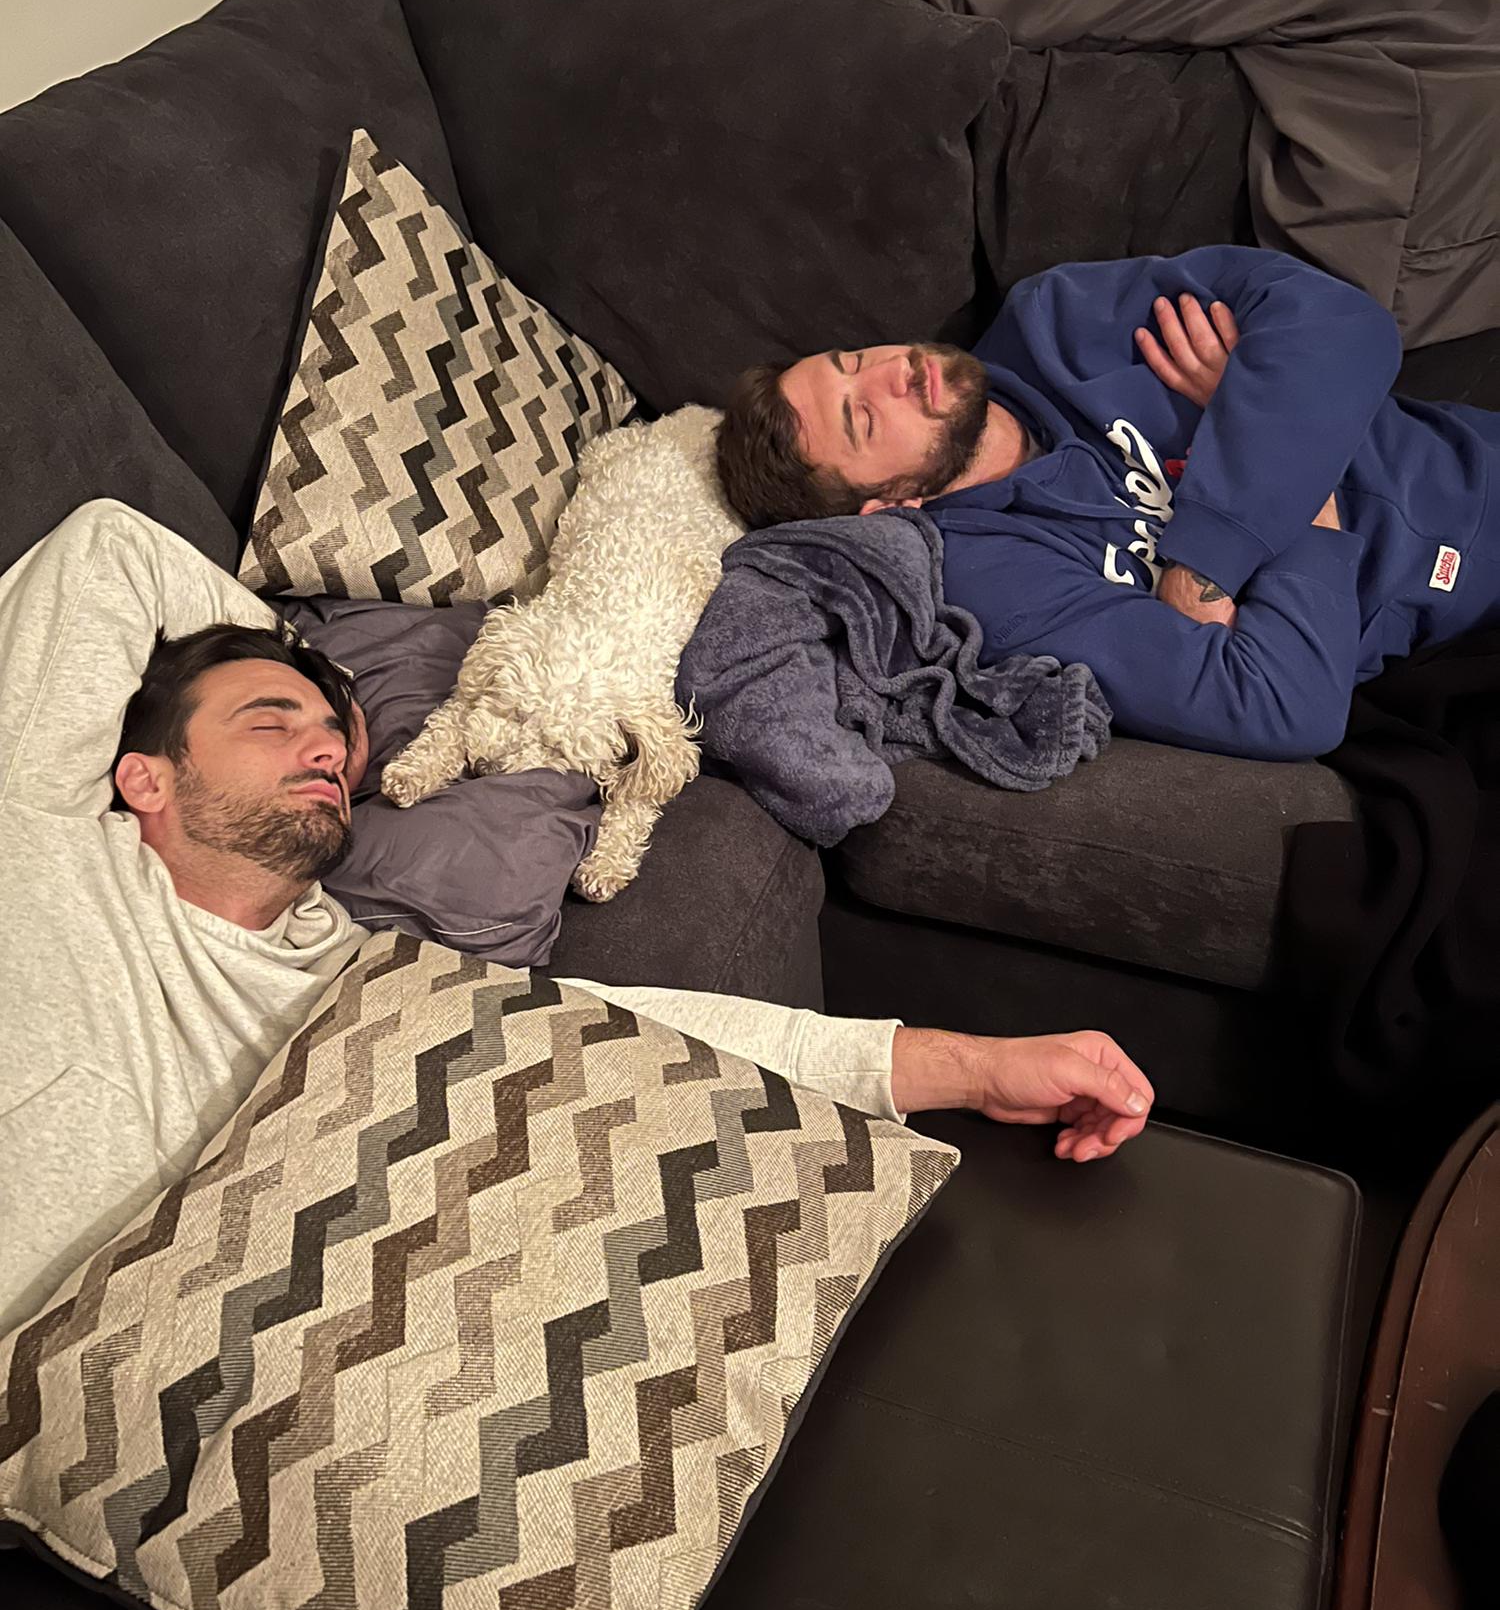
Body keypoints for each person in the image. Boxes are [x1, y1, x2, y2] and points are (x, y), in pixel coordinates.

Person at [0, 501, 1154, 1330]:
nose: (319, 746)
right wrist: (316, 666)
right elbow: (109, 548)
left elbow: (624, 1027)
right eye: (269, 721)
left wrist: (973, 1066)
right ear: (143, 776)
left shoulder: (351, 969)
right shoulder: (42, 822)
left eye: (332, 737)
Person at [716, 245, 1500, 761]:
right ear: (885, 508)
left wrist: (1204, 562)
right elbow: (1281, 707)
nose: (896, 370)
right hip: (1459, 639)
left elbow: (1345, 324)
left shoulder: (1058, 321)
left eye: (853, 359)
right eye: (862, 418)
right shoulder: (997, 582)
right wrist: (1285, 449)